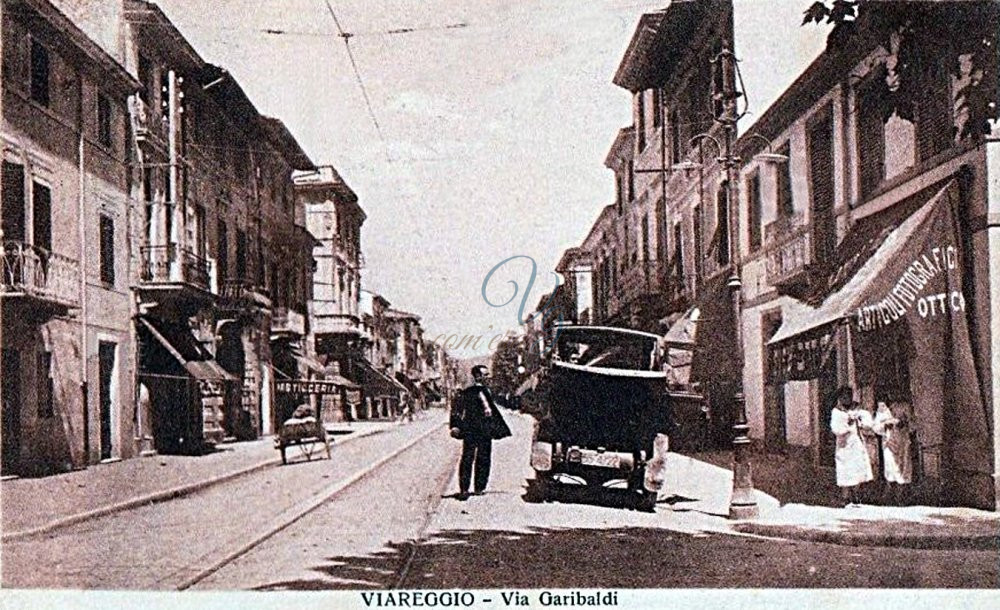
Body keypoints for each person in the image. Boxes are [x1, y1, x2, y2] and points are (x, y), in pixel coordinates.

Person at [450, 365, 508, 499]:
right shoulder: (468, 392)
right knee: (469, 458)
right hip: (472, 430)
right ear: (477, 376)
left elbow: (491, 411)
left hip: (483, 431)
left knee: (482, 458)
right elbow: (457, 409)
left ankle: (478, 487)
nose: (488, 377)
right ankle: (465, 488)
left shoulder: (486, 391)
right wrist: (456, 426)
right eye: (485, 375)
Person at [830, 387, 874, 507]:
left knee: (858, 468)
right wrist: (847, 426)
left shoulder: (858, 409)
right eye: (843, 396)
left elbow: (868, 423)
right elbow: (836, 429)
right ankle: (845, 496)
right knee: (845, 469)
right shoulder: (837, 412)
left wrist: (860, 421)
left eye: (848, 396)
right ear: (839, 398)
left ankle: (856, 494)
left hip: (856, 443)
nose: (846, 398)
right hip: (844, 446)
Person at [873, 401, 915, 504]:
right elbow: (876, 427)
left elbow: (913, 424)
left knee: (903, 466)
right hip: (889, 442)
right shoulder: (883, 408)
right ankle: (888, 493)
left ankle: (900, 495)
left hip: (903, 441)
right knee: (890, 466)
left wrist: (904, 423)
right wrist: (885, 425)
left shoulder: (906, 406)